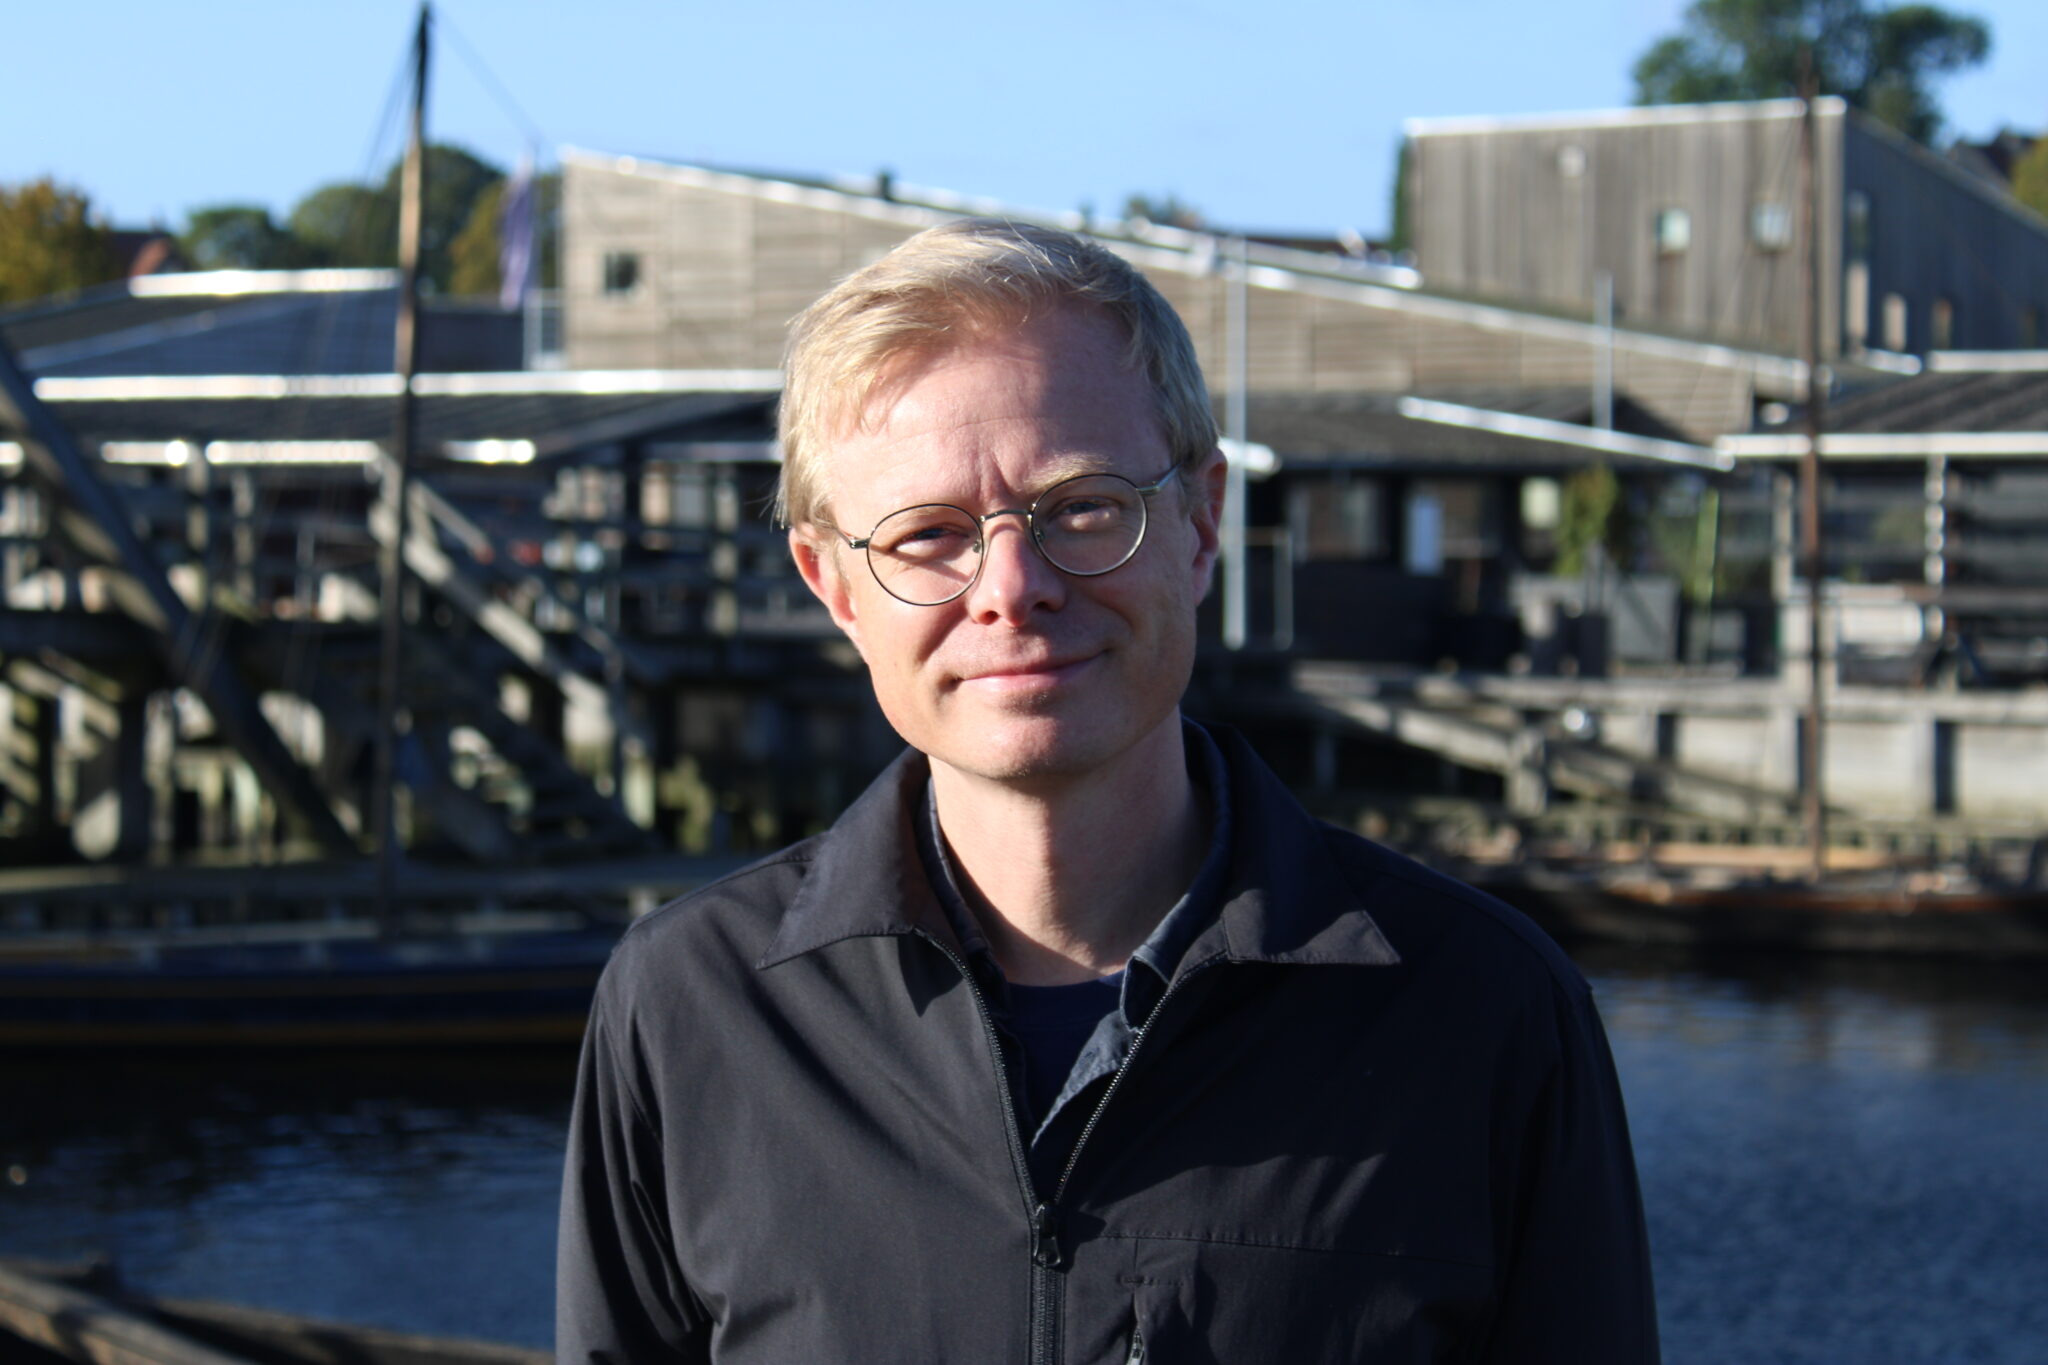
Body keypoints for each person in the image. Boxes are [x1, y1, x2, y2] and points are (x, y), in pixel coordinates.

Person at [557, 219, 1659, 1363]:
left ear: (1198, 524)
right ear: (833, 584)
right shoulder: (690, 1011)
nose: (1013, 588)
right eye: (929, 534)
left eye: (1081, 507)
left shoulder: (1482, 1012)